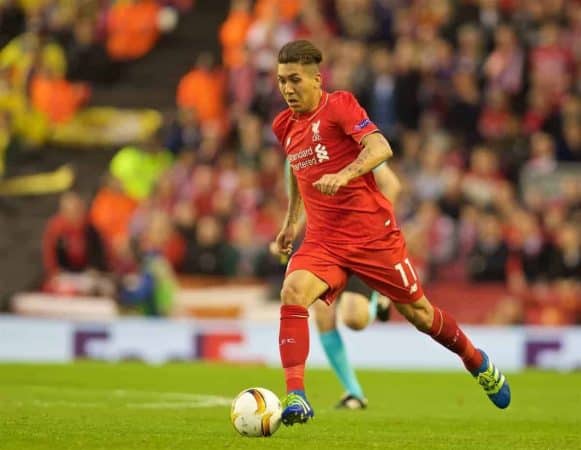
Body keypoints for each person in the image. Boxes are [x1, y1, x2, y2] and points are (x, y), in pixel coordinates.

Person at [271, 40, 511, 426]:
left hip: (373, 238)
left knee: (420, 314)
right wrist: (289, 222)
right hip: (323, 241)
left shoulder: (341, 106)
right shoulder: (283, 125)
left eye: (295, 80)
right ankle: (296, 396)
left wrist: (347, 173)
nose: (287, 89)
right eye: (281, 81)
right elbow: (296, 171)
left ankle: (475, 360)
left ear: (317, 79)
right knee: (293, 293)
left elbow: (381, 147)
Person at [271, 161, 399, 410]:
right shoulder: (296, 149)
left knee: (355, 319)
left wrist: (376, 229)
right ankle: (354, 392)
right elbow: (311, 205)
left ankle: (379, 297)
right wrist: (290, 230)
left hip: (362, 243)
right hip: (326, 247)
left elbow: (391, 184)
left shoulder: (349, 140)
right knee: (321, 310)